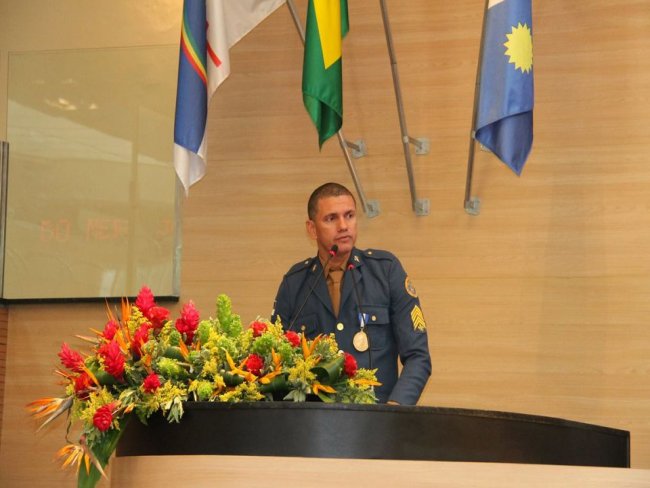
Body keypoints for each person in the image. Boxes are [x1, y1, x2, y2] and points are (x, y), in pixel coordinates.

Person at [272, 182, 431, 405]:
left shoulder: (386, 271)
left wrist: (395, 411)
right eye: (331, 218)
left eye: (350, 215)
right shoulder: (295, 283)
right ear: (312, 228)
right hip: (313, 426)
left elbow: (418, 356)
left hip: (376, 423)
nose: (343, 226)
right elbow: (275, 364)